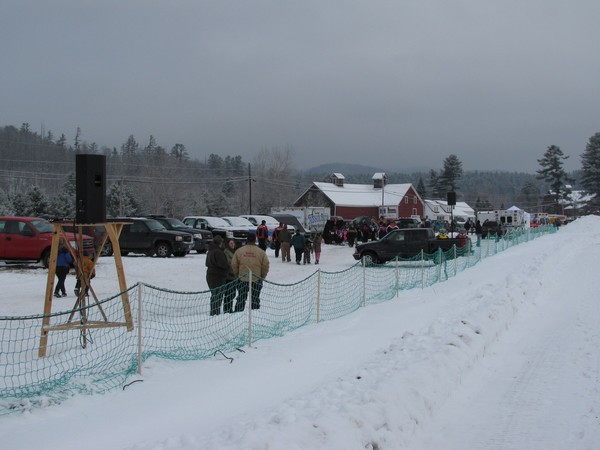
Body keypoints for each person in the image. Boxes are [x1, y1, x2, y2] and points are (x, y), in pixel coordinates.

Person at [232, 233, 270, 311]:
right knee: (255, 298)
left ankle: (238, 314)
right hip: (256, 279)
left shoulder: (239, 251)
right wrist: (262, 276)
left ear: (247, 239)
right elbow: (265, 265)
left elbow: (234, 264)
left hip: (242, 279)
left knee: (241, 298)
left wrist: (237, 275)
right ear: (255, 239)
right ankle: (255, 314)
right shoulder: (261, 252)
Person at [205, 235, 229, 315]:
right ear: (220, 243)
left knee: (214, 295)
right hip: (218, 277)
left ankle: (213, 312)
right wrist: (228, 268)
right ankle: (215, 313)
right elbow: (223, 264)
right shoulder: (218, 252)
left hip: (210, 275)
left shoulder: (210, 251)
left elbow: (206, 263)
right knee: (218, 296)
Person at [222, 238, 239, 313]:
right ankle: (227, 309)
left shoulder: (235, 252)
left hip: (234, 277)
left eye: (233, 243)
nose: (232, 245)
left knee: (232, 294)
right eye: (231, 243)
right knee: (229, 294)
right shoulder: (226, 252)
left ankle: (229, 308)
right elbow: (229, 264)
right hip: (229, 277)